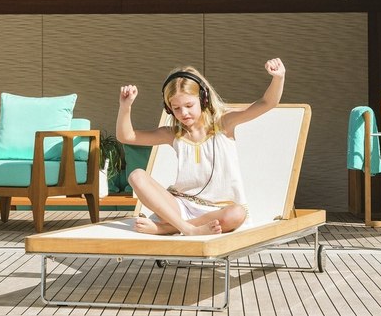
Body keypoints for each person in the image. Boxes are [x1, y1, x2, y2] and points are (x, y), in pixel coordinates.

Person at [116, 58, 286, 235]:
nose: (184, 113)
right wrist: (125, 106)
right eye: (176, 108)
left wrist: (278, 78)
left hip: (217, 211)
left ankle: (165, 229)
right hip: (179, 207)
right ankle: (187, 229)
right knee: (136, 175)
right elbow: (126, 136)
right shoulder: (173, 134)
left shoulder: (224, 124)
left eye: (189, 105)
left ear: (203, 99)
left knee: (238, 213)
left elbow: (268, 103)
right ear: (169, 109)